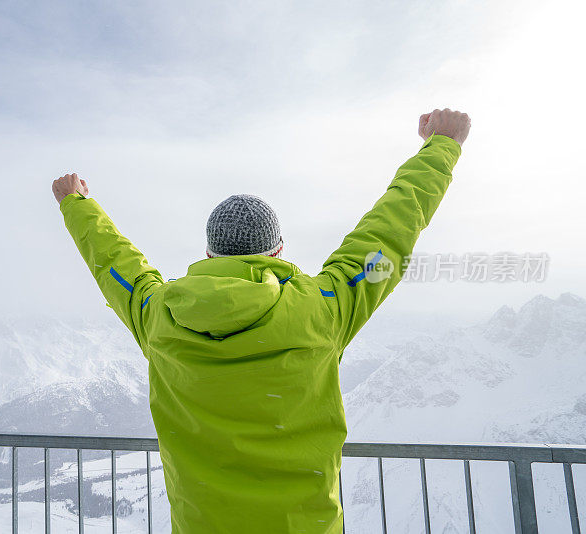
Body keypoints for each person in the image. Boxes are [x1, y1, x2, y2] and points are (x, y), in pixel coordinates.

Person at [53, 108, 471, 533]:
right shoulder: (322, 309)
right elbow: (387, 238)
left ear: (210, 254)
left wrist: (76, 205)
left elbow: (114, 264)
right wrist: (443, 146)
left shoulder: (158, 315)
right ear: (277, 252)